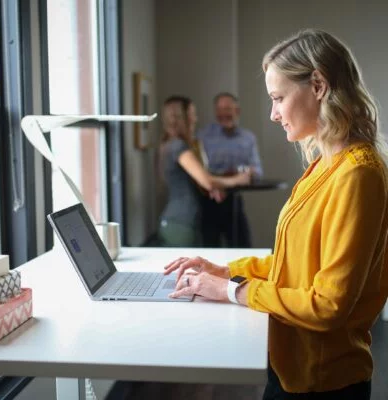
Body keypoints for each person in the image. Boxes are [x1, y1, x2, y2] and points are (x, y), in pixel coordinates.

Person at [164, 29, 388, 399]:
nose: (273, 114)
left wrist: (232, 292)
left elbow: (328, 305)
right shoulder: (324, 165)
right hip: (290, 368)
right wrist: (227, 271)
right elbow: (296, 266)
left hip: (323, 383)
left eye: (278, 98)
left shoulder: (357, 174)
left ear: (317, 85)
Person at [158, 95, 252, 247]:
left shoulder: (171, 144)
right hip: (182, 223)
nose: (195, 119)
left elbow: (197, 181)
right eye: (192, 114)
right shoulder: (178, 147)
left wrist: (213, 188)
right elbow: (206, 180)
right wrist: (238, 179)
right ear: (183, 117)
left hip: (178, 222)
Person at [197, 92, 263, 248]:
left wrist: (247, 174)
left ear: (237, 111)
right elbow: (200, 172)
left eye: (227, 109)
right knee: (209, 251)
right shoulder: (203, 136)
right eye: (219, 109)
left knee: (243, 247)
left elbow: (258, 171)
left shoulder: (248, 138)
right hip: (209, 201)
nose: (223, 114)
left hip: (234, 202)